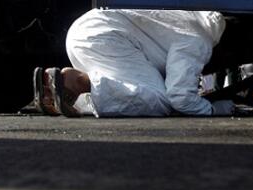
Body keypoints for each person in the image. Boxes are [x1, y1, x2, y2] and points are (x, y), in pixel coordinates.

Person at [34, 9, 234, 117]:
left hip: (83, 29)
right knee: (158, 101)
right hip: (105, 37)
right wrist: (214, 110)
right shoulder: (199, 38)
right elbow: (179, 97)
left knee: (127, 87)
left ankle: (60, 92)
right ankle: (77, 83)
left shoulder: (185, 13)